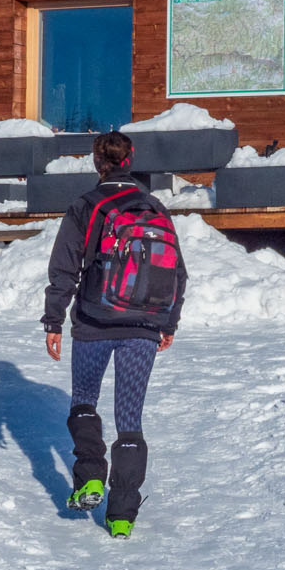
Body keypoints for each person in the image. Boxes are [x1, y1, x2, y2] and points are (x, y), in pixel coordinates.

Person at [42, 131, 187, 539]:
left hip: (93, 321)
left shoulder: (86, 206)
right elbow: (178, 273)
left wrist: (53, 320)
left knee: (84, 401)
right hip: (143, 327)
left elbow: (65, 269)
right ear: (131, 159)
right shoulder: (154, 206)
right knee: (130, 419)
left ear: (96, 161)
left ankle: (90, 478)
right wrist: (167, 323)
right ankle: (121, 514)